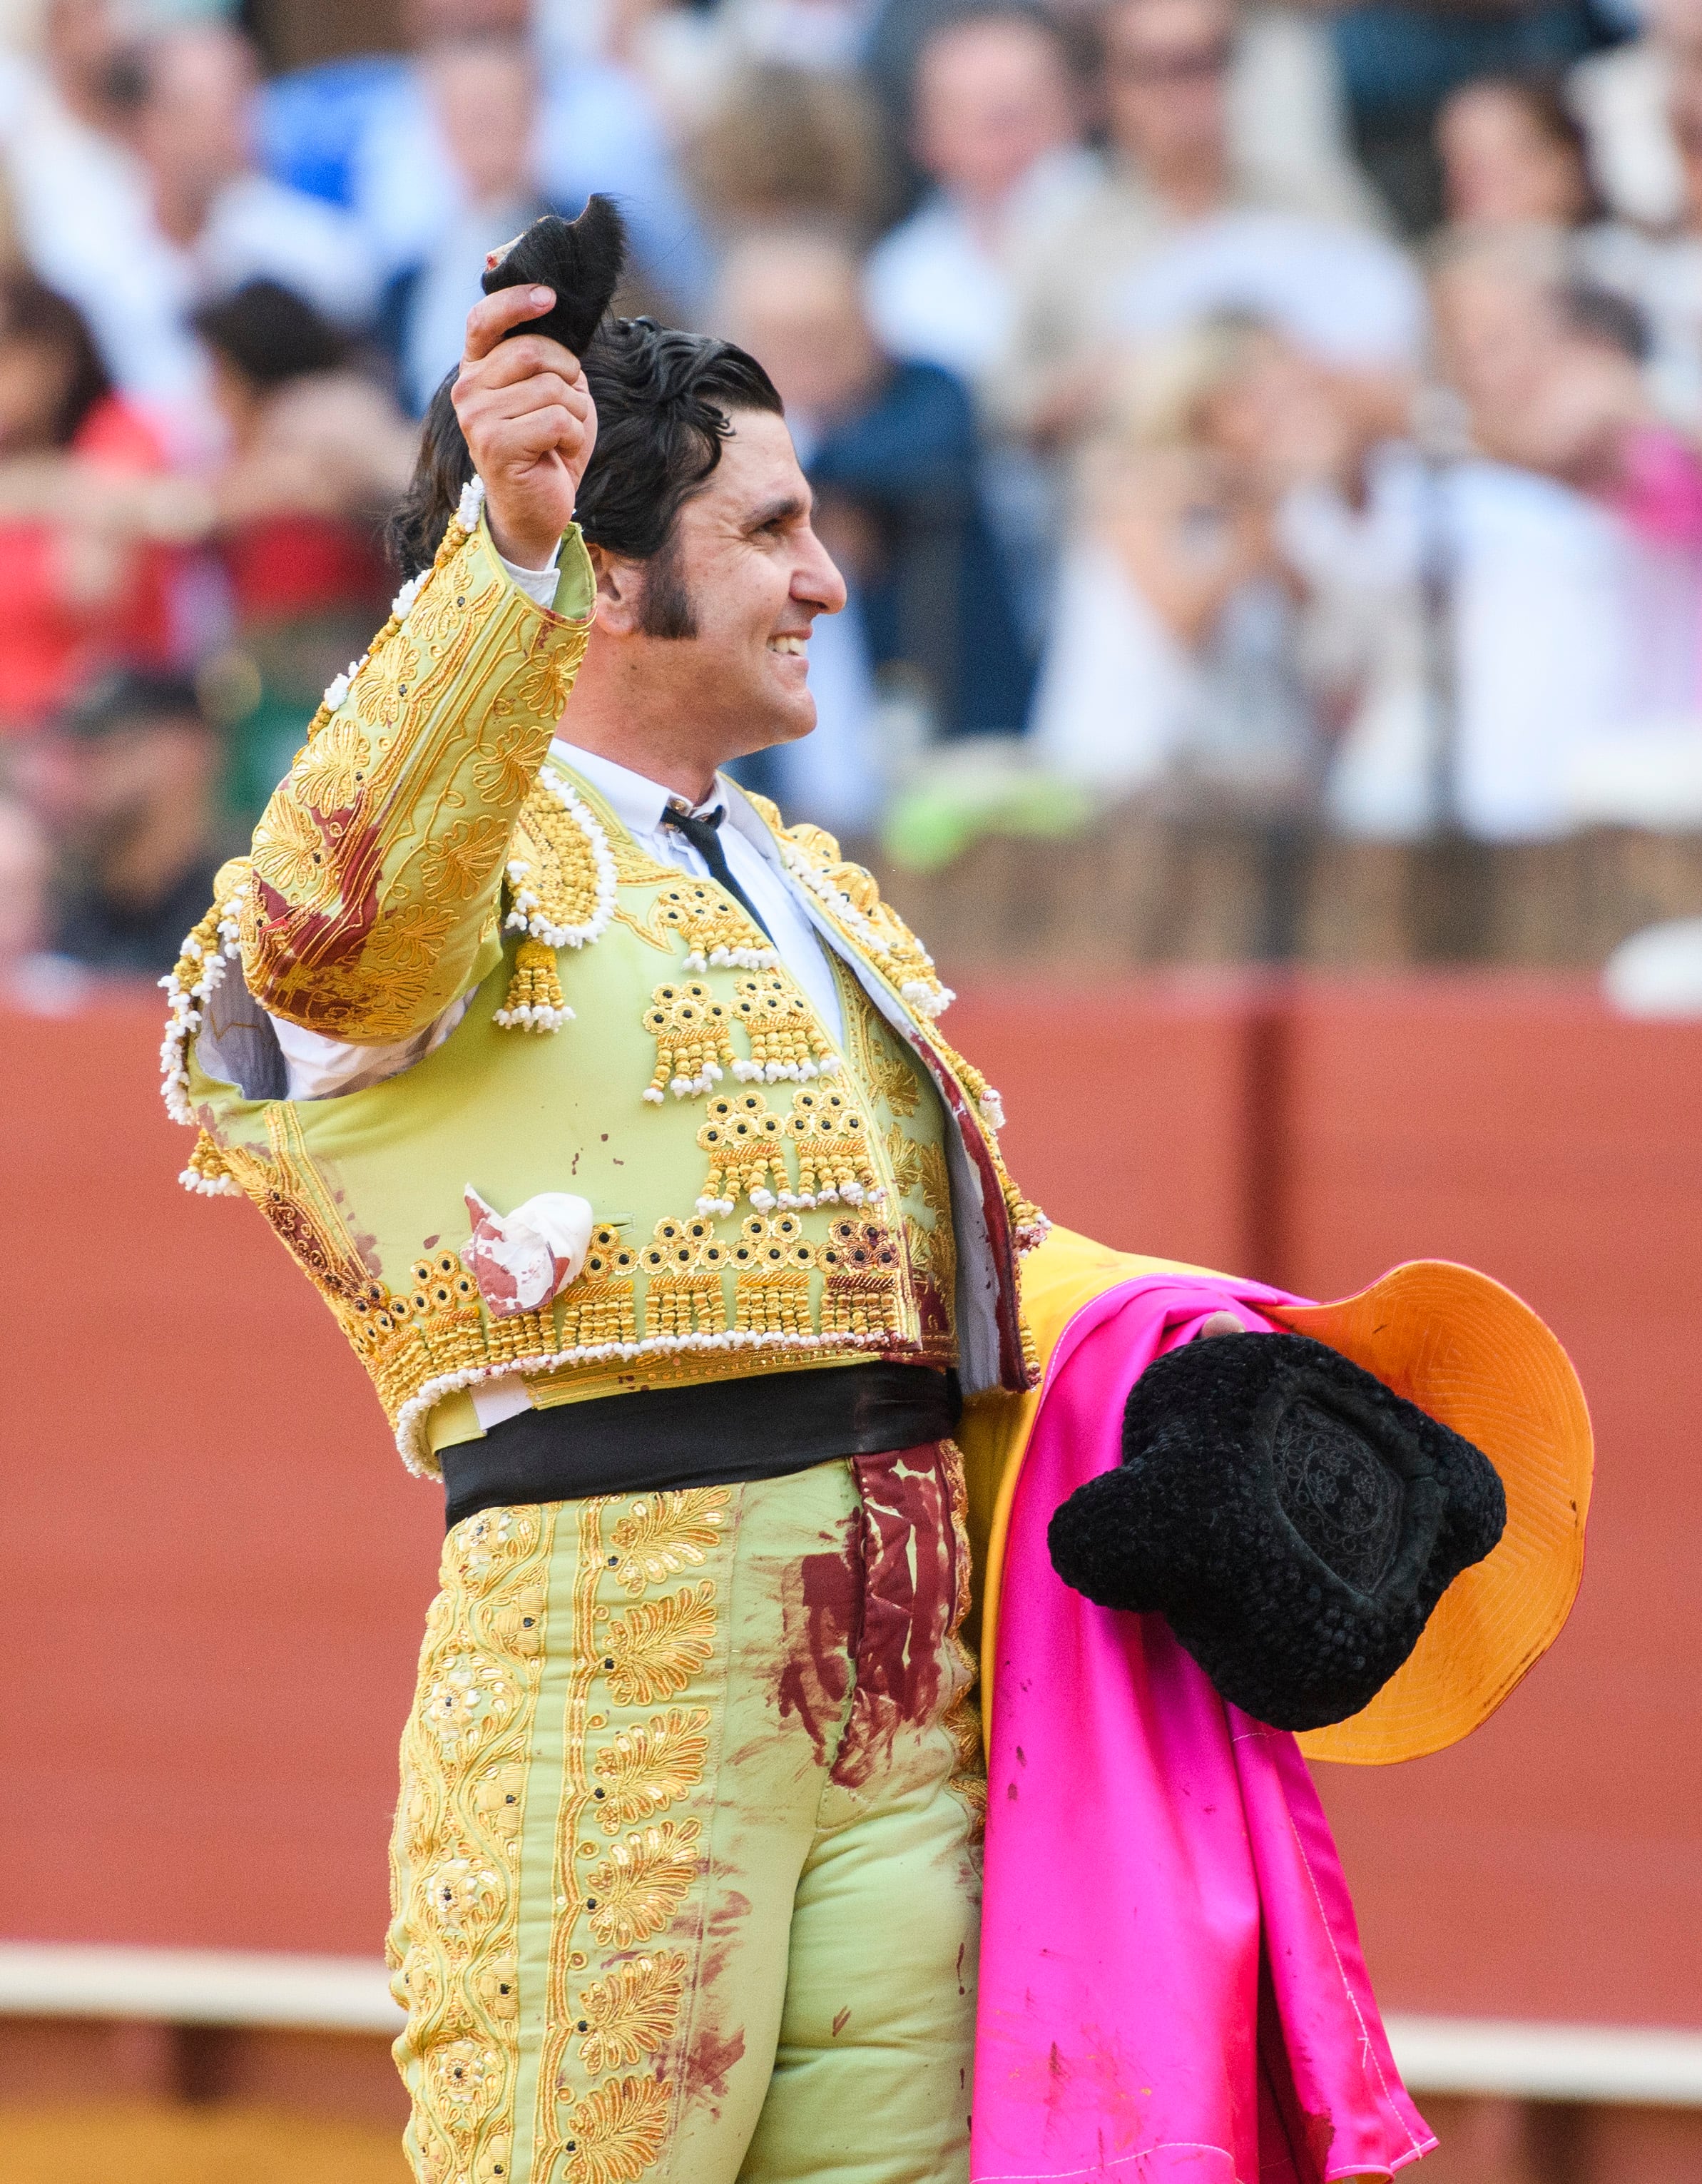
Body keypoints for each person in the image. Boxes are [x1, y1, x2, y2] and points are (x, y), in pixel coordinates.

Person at [161, 218, 1582, 2184]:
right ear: (606, 568)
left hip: (911, 1678)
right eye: (766, 531)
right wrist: (497, 552)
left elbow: (932, 1276)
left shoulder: (806, 889)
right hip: (607, 1664)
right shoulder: (453, 858)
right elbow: (338, 936)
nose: (826, 575)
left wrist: (1201, 1375)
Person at [996, 0, 1421, 456]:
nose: (1182, 91)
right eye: (1153, 69)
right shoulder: (1064, 230)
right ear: (1108, 87)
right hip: (1137, 503)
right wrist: (1105, 380)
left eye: (1202, 64)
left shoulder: (1317, 202)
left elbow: (1412, 357)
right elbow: (1008, 411)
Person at [717, 225, 1034, 751]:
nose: (809, 360)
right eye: (784, 340)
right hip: (780, 730)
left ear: (868, 326)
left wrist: (812, 490)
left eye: (826, 334)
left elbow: (919, 458)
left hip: (948, 704)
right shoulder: (719, 430)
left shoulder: (929, 393)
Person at [25, 22, 377, 429]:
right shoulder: (81, 263)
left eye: (240, 106)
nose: (232, 132)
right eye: (200, 111)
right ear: (143, 125)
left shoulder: (318, 252)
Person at [190, 280, 417, 823]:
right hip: (265, 685)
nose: (210, 395)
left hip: (340, 674)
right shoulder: (243, 450)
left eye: (219, 375)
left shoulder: (325, 413)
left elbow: (406, 479)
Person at [862, 5, 1093, 389]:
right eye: (977, 116)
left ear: (1077, 107)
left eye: (1023, 109)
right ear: (924, 137)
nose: (1006, 137)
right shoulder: (898, 279)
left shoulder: (1141, 217)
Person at [0, 273, 177, 734]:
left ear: (55, 359)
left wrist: (36, 486)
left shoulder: (117, 431)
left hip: (102, 724)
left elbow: (91, 588)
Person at [51, 666, 226, 976]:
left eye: (117, 747)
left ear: (188, 750)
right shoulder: (58, 914)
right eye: (80, 753)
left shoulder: (241, 915)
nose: (91, 771)